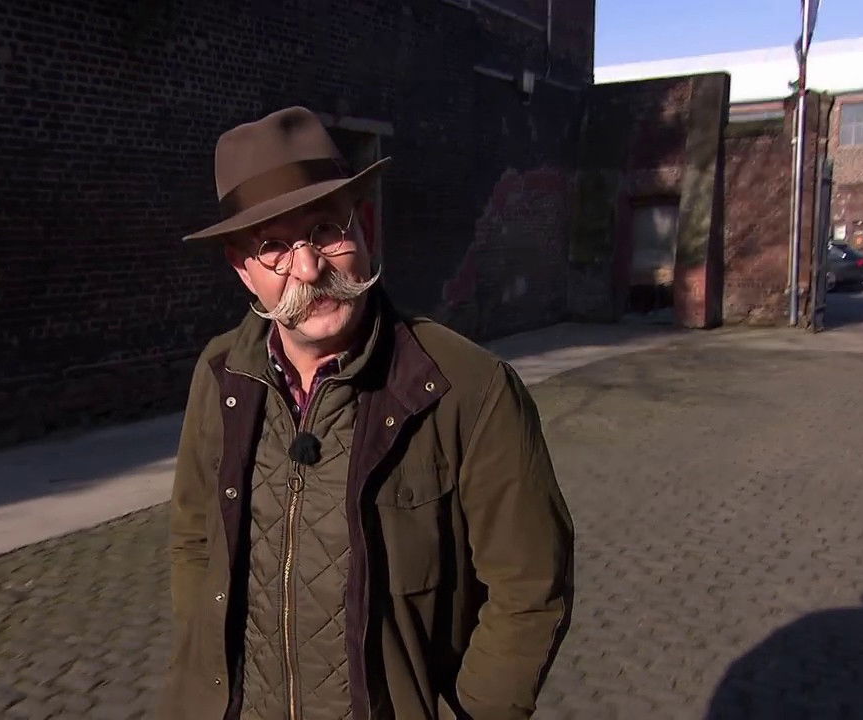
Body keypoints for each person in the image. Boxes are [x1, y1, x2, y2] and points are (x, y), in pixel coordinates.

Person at [162, 106, 574, 720]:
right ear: (242, 269)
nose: (309, 269)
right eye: (273, 248)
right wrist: (204, 673)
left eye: (327, 230)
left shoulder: (469, 389)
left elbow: (531, 587)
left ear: (365, 227)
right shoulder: (222, 374)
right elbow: (195, 538)